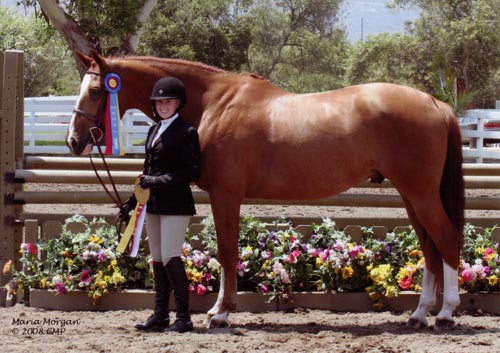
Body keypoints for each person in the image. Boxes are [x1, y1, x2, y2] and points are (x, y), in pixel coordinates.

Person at [118, 77, 201, 333]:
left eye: (168, 101)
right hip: (153, 204)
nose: (163, 105)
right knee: (156, 259)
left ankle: (184, 317)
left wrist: (158, 180)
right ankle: (160, 314)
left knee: (170, 257)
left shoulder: (187, 132)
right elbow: (147, 171)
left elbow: (191, 171)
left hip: (175, 204)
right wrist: (131, 202)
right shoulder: (154, 131)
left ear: (178, 103)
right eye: (159, 102)